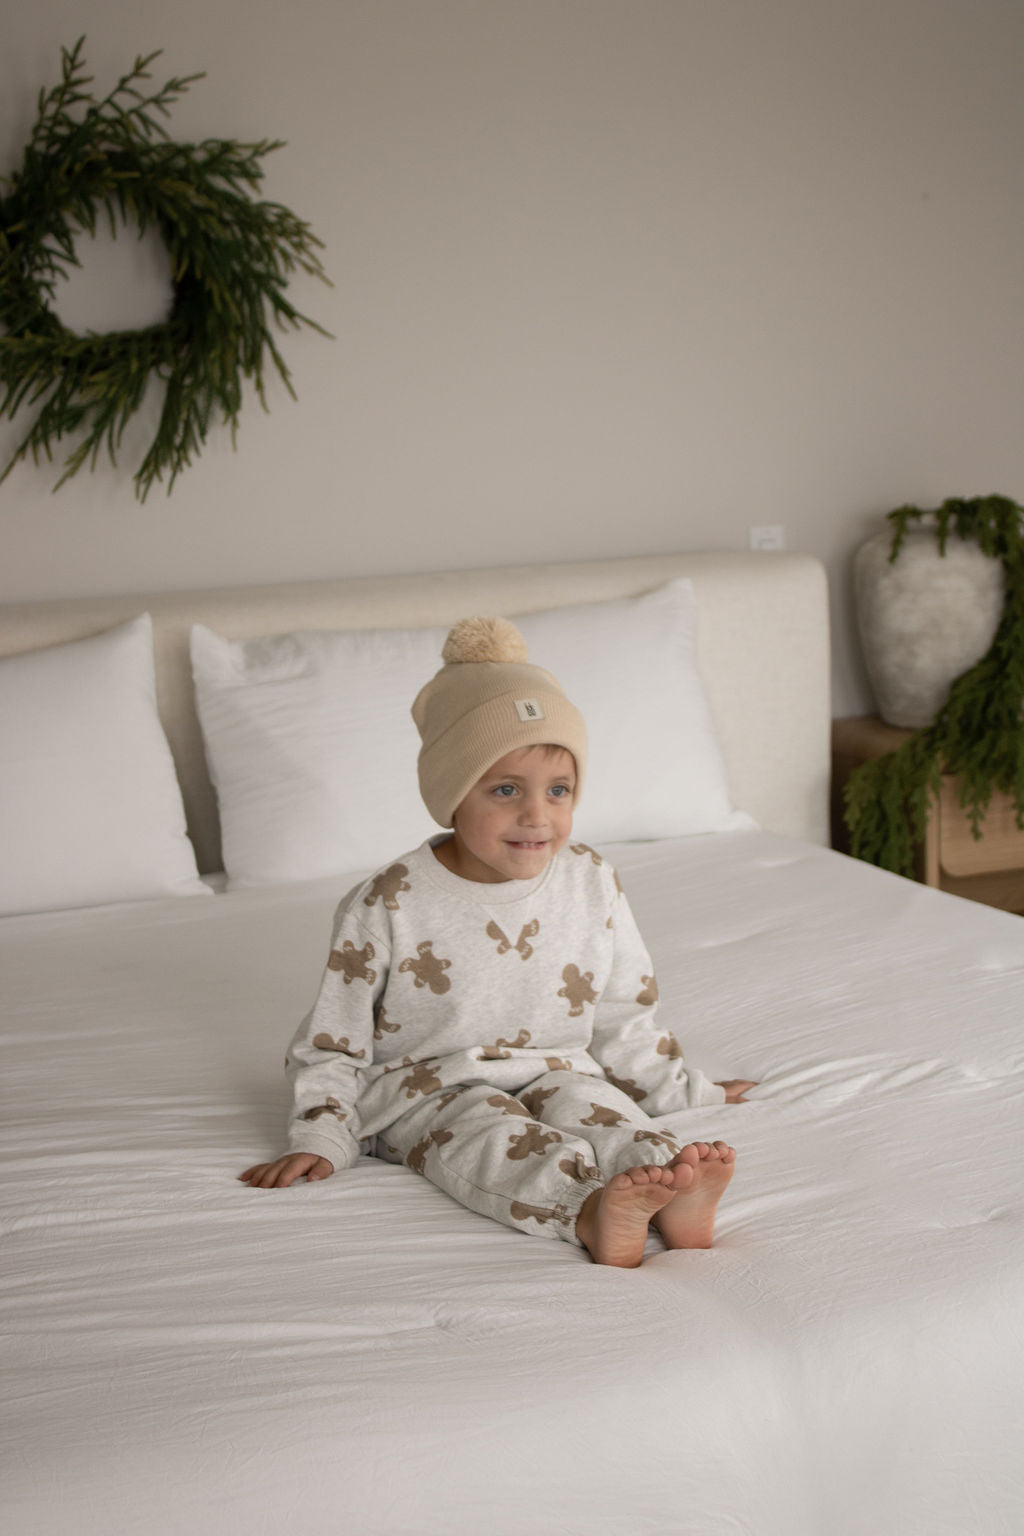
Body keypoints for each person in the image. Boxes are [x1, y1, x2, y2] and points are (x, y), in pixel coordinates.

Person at [240, 616, 754, 1267]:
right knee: (489, 1137)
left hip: (555, 1065)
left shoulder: (591, 881)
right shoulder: (389, 902)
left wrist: (686, 1090)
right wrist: (322, 1132)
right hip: (427, 1088)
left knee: (606, 1112)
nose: (537, 815)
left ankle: (670, 1188)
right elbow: (333, 1038)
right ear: (452, 795)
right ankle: (591, 1211)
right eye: (506, 790)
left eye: (558, 791)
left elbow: (625, 1011)